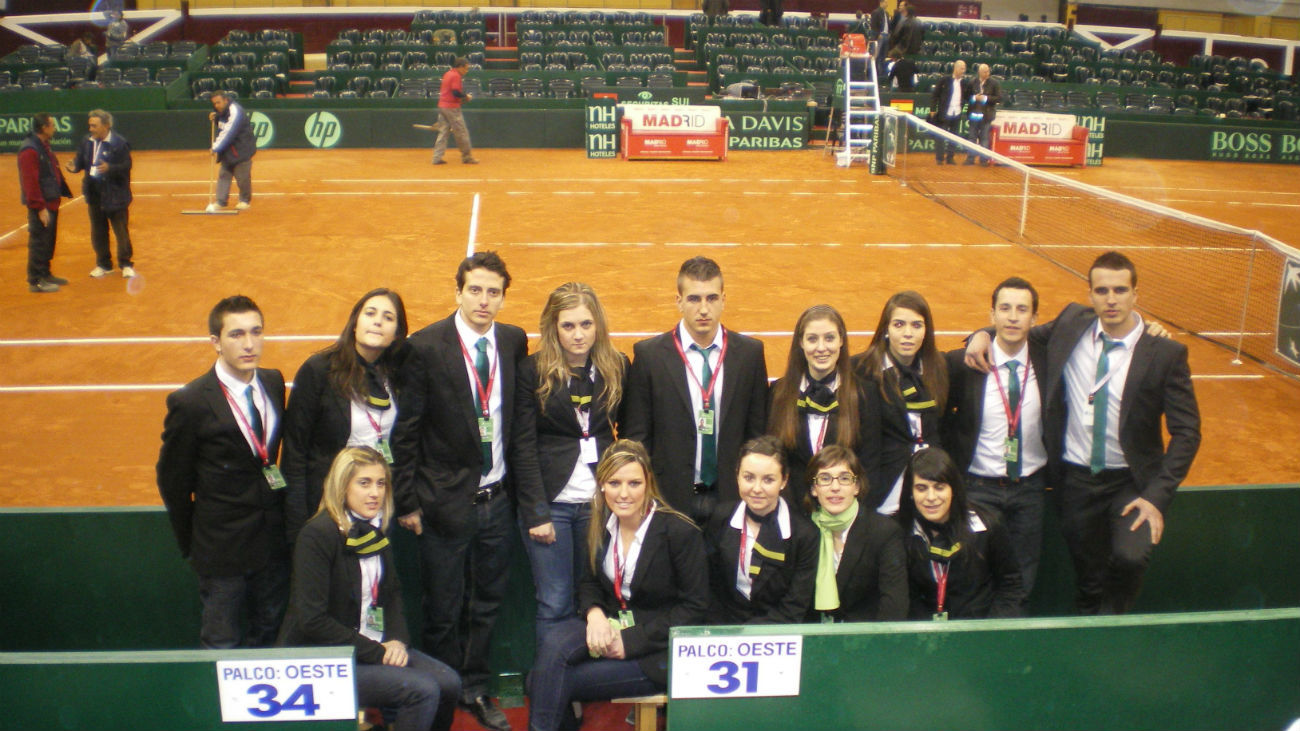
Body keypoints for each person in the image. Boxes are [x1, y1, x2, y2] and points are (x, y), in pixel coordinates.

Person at [966, 251, 1201, 614]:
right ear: (1090, 295)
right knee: (1088, 578)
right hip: (1076, 482)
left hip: (1130, 482)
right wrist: (980, 335)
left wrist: (1156, 496)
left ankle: (1112, 624)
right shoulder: (1071, 324)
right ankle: (1091, 627)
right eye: (1102, 290)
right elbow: (1015, 331)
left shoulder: (1164, 352)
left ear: (1135, 294)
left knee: (1130, 557)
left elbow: (1187, 432)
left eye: (1120, 290)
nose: (1111, 299)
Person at [392, 251, 529, 731]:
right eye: (475, 290)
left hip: (498, 499)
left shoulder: (512, 340)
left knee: (485, 604)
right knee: (443, 609)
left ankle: (473, 688)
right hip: (443, 502)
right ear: (458, 292)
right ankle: (441, 693)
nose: (484, 300)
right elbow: (406, 431)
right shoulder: (424, 346)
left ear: (503, 297)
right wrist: (407, 501)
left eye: (493, 292)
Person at [527, 440, 708, 731]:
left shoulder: (680, 532)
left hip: (657, 649)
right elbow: (589, 582)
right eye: (614, 483)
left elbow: (695, 609)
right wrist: (595, 614)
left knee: (548, 682)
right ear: (601, 485)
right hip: (612, 625)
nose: (624, 494)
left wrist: (632, 641)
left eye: (634, 483)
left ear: (648, 483)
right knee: (548, 658)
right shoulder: (601, 524)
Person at [279, 447, 461, 731]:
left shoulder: (376, 528)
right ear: (342, 486)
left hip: (375, 645)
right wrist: (377, 652)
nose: (375, 493)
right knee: (422, 690)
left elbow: (392, 594)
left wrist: (397, 641)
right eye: (364, 483)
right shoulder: (317, 535)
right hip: (329, 657)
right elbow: (311, 620)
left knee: (449, 683)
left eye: (380, 483)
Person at [156, 295, 289, 648]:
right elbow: (173, 481)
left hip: (271, 544)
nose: (249, 344)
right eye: (236, 334)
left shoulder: (273, 382)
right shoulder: (191, 402)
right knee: (221, 644)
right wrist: (195, 543)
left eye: (256, 332)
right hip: (221, 551)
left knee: (270, 636)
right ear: (216, 342)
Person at [513, 283, 628, 652]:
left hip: (600, 505)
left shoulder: (616, 366)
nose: (578, 335)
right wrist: (536, 512)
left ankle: (589, 675)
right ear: (553, 328)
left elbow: (629, 438)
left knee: (597, 599)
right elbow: (523, 446)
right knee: (555, 602)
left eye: (586, 324)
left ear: (598, 325)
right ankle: (554, 680)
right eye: (568, 326)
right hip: (553, 507)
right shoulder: (532, 372)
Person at [622, 256, 769, 524]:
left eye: (711, 298)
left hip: (732, 499)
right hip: (669, 500)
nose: (703, 309)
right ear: (678, 301)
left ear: (724, 300)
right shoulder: (650, 356)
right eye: (693, 299)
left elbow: (757, 433)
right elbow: (637, 438)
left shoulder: (749, 354)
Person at [942, 277, 1048, 601]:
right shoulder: (965, 363)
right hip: (977, 489)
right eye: (1005, 309)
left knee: (1022, 581)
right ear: (992, 315)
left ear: (1035, 318)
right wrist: (979, 335)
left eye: (1022, 310)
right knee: (973, 578)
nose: (1013, 317)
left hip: (1030, 490)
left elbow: (1083, 320)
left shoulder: (1049, 360)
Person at [282, 288, 410, 546]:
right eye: (370, 313)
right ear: (354, 323)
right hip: (329, 507)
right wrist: (298, 526)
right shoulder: (319, 371)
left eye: (388, 317)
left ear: (397, 333)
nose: (377, 321)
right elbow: (295, 452)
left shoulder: (398, 374)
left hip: (378, 506)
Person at [898, 447, 1025, 620]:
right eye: (921, 488)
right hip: (924, 632)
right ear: (910, 493)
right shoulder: (900, 533)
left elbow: (1011, 586)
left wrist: (992, 629)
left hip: (981, 629)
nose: (931, 497)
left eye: (939, 487)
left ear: (954, 489)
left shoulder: (988, 526)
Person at [852, 291, 947, 515]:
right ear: (886, 329)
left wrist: (983, 334)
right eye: (899, 324)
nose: (908, 334)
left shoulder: (940, 367)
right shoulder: (860, 370)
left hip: (929, 496)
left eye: (917, 325)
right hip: (883, 495)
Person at [705, 436, 817, 624]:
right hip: (724, 628)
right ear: (737, 476)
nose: (757, 489)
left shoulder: (805, 535)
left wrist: (748, 635)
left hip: (778, 631)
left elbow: (794, 607)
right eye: (749, 477)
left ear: (784, 480)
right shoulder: (720, 518)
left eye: (768, 480)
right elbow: (710, 587)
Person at [767, 305, 874, 499]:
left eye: (829, 338)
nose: (821, 348)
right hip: (793, 508)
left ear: (841, 340)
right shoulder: (779, 393)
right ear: (801, 342)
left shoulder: (864, 394)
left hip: (842, 505)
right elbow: (775, 460)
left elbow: (869, 464)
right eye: (812, 339)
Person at [805, 445, 908, 622]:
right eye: (825, 478)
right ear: (814, 488)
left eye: (844, 478)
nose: (835, 487)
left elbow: (894, 606)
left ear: (857, 486)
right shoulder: (803, 531)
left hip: (866, 636)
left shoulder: (884, 532)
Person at [67, 109, 135, 279]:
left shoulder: (119, 143)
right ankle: (104, 264)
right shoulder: (87, 142)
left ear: (106, 126)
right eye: (90, 125)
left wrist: (110, 168)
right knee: (98, 232)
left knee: (121, 232)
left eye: (94, 126)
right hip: (94, 194)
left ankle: (126, 264)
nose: (91, 129)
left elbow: (126, 166)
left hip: (115, 195)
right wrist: (74, 167)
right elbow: (81, 161)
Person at [17, 113, 72, 293]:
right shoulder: (30, 150)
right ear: (44, 127)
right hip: (42, 205)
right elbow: (30, 182)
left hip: (51, 201)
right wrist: (39, 207)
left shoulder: (43, 146)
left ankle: (46, 274)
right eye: (52, 125)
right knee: (39, 242)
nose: (54, 128)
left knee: (48, 241)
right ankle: (36, 280)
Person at [207, 90, 254, 211]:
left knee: (242, 178)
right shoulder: (222, 111)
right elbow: (223, 124)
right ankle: (221, 201)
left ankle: (244, 201)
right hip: (228, 151)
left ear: (226, 100)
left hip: (241, 149)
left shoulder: (235, 111)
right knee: (224, 175)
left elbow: (229, 131)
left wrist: (216, 147)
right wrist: (216, 118)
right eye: (214, 103)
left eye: (218, 102)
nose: (216, 105)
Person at [432, 57, 478, 166]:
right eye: (465, 68)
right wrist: (466, 96)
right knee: (462, 132)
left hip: (442, 106)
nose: (466, 71)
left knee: (443, 132)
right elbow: (456, 92)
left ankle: (436, 158)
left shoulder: (448, 74)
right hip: (451, 108)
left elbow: (451, 93)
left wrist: (462, 99)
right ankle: (467, 157)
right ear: (460, 67)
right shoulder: (456, 76)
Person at [929, 60, 969, 164]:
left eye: (964, 69)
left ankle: (950, 158)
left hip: (957, 113)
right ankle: (939, 158)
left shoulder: (964, 83)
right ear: (956, 68)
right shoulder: (944, 80)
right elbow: (935, 95)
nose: (963, 71)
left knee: (954, 136)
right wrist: (933, 109)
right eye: (962, 68)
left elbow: (967, 96)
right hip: (944, 113)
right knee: (941, 136)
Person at [963, 63, 1001, 165]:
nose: (987, 73)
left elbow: (999, 98)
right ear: (979, 72)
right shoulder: (972, 82)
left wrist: (985, 98)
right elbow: (966, 96)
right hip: (973, 114)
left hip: (987, 115)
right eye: (985, 72)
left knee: (984, 138)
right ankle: (970, 159)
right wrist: (974, 98)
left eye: (988, 71)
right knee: (972, 137)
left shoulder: (994, 83)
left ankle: (983, 160)